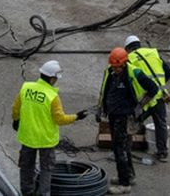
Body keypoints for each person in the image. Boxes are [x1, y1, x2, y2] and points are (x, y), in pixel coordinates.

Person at [12, 59, 89, 196]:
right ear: (52, 79)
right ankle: (44, 194)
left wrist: (16, 120)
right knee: (46, 168)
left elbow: (16, 108)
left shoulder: (26, 88)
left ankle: (27, 192)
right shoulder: (52, 97)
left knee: (26, 166)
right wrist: (76, 117)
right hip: (46, 140)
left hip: (28, 136)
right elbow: (59, 119)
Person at [123, 34, 170, 162]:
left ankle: (126, 151)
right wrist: (160, 84)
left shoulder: (130, 58)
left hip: (144, 99)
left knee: (132, 121)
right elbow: (168, 71)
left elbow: (128, 80)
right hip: (160, 95)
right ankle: (162, 152)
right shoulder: (153, 53)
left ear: (127, 48)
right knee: (160, 124)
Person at [98, 48, 137, 192]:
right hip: (113, 114)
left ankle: (124, 184)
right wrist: (101, 107)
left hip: (123, 116)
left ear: (124, 63)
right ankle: (127, 176)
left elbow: (152, 89)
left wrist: (139, 108)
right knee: (121, 148)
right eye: (113, 66)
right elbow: (105, 89)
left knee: (119, 149)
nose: (115, 69)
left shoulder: (133, 72)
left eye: (117, 67)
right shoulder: (112, 73)